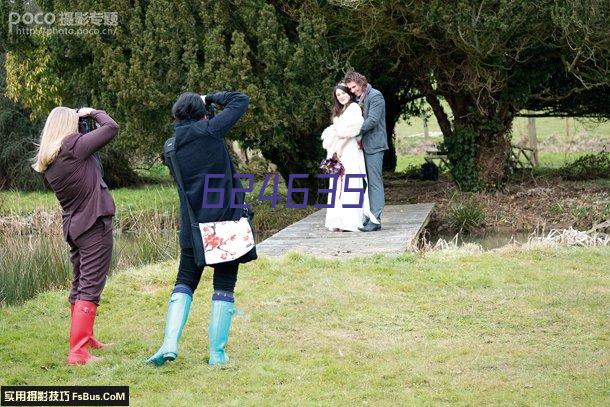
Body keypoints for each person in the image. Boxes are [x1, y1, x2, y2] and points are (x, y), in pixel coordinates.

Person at [147, 91, 256, 367]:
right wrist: (211, 97)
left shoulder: (170, 147)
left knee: (184, 282)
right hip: (224, 221)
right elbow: (240, 100)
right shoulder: (210, 131)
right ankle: (217, 353)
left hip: (193, 226)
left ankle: (169, 343)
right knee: (224, 284)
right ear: (202, 112)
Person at [32, 106, 119, 365]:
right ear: (69, 125)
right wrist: (93, 112)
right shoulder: (72, 146)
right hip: (93, 224)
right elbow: (111, 128)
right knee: (90, 285)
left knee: (81, 281)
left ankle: (86, 338)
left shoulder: (50, 160)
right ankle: (78, 352)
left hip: (75, 227)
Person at [321, 83, 378, 232]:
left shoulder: (354, 107)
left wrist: (340, 147)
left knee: (350, 181)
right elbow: (336, 130)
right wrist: (334, 148)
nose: (341, 97)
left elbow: (353, 129)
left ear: (349, 93)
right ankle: (338, 220)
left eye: (343, 93)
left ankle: (350, 221)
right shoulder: (340, 110)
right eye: (338, 95)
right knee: (338, 183)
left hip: (349, 148)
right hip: (337, 148)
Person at [342, 70, 388, 232]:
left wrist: (351, 132)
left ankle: (375, 220)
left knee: (374, 183)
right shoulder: (358, 98)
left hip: (374, 146)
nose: (353, 91)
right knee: (364, 183)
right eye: (350, 89)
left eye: (354, 87)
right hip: (361, 147)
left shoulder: (375, 96)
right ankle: (367, 215)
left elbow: (373, 121)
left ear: (361, 82)